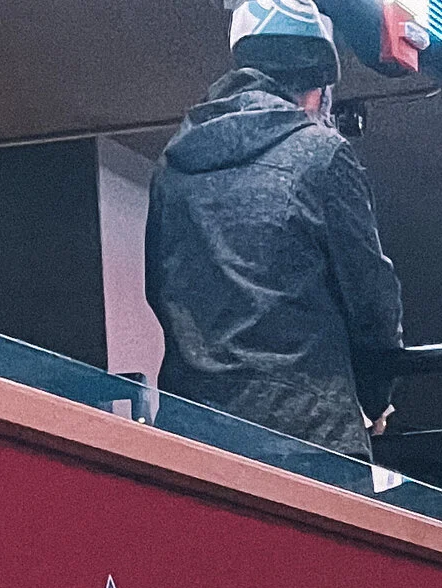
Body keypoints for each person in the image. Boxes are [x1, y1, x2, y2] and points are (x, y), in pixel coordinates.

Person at [146, 0, 404, 468]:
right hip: (306, 442)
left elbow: (160, 290)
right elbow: (372, 302)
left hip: (194, 438)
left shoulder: (175, 162)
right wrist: (374, 396)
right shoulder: (323, 154)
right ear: (318, 90)